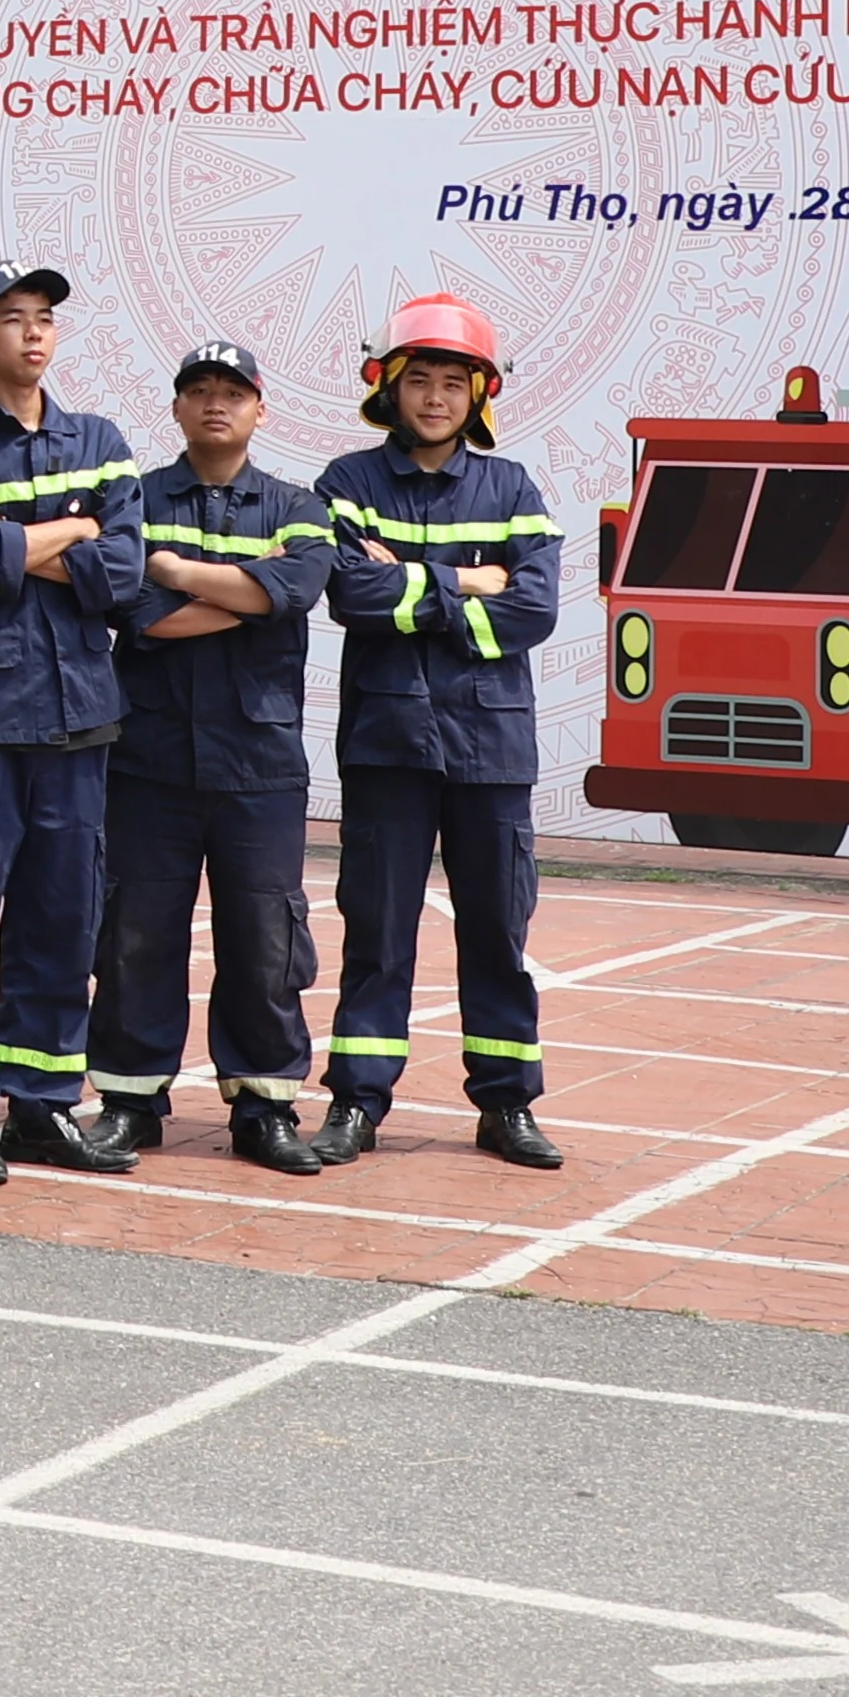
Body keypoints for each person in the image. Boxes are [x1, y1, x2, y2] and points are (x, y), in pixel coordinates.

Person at [0, 261, 153, 1181]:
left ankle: (43, 1104)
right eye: (13, 319)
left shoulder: (102, 439)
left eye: (45, 319)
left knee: (63, 917)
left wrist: (22, 535)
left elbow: (125, 575)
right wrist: (74, 530)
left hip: (80, 720)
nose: (35, 335)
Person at [315, 293, 568, 1171]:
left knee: (498, 931)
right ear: (386, 386)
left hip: (490, 749)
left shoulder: (514, 488)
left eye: (452, 382)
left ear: (480, 394)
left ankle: (507, 1106)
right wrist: (469, 581)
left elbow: (535, 610)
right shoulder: (347, 485)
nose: (433, 396)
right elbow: (354, 596)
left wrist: (417, 585)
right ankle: (357, 1100)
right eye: (417, 378)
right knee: (377, 930)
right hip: (387, 744)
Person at [88, 341, 338, 1178]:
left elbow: (297, 589)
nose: (215, 404)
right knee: (134, 934)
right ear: (177, 408)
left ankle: (264, 1108)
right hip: (148, 755)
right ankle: (129, 1101)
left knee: (266, 940)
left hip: (258, 763)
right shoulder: (135, 498)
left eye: (233, 392)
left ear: (261, 409)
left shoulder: (300, 505)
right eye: (198, 391)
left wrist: (183, 572)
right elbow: (137, 609)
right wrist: (248, 589)